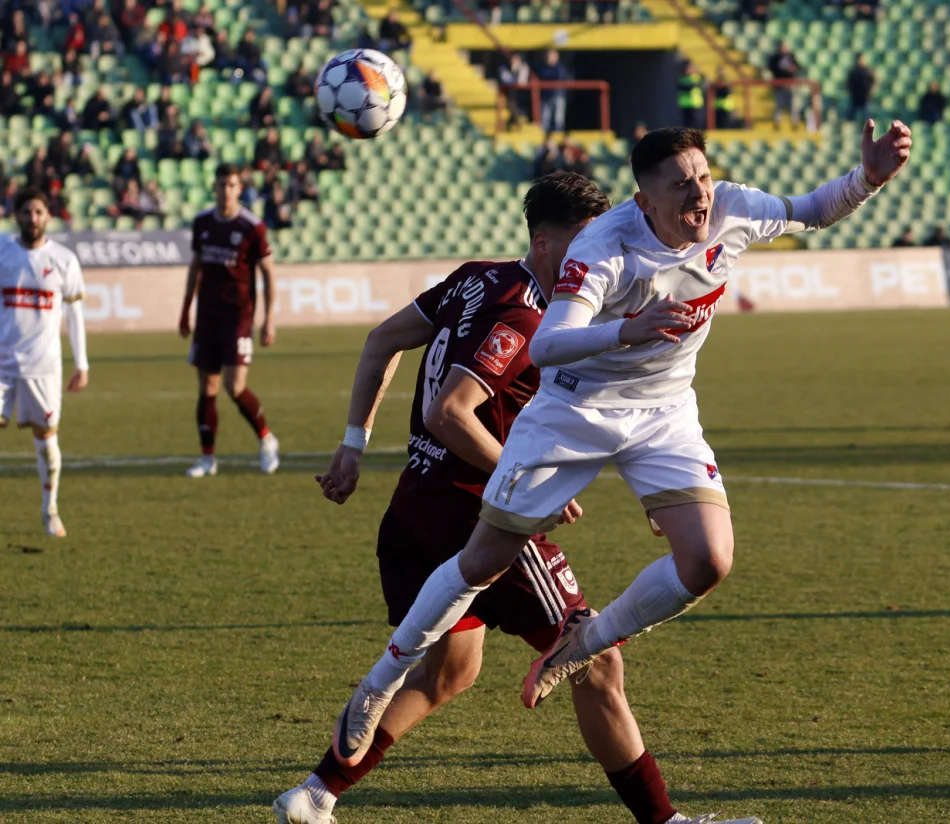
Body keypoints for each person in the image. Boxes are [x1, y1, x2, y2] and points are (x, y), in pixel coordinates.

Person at [328, 122, 912, 766]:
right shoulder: (602, 247)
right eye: (681, 184)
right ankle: (381, 681)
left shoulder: (734, 208)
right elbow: (547, 346)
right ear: (645, 201)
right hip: (576, 406)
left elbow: (813, 211)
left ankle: (582, 642)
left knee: (708, 561)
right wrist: (626, 332)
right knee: (481, 561)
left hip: (664, 412)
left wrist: (869, 179)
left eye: (703, 176)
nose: (700, 193)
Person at [276, 173, 759, 824]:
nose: (598, 259)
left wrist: (353, 443)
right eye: (581, 243)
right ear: (542, 242)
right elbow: (453, 411)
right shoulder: (526, 312)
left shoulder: (475, 277)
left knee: (452, 670)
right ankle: (665, 822)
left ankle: (315, 794)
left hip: (415, 507)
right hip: (476, 515)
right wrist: (531, 480)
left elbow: (381, 341)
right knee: (594, 660)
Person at [179, 164, 279, 478]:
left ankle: (266, 440)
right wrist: (185, 310)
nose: (226, 190)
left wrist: (269, 319)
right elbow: (195, 267)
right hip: (207, 318)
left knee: (235, 387)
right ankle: (207, 459)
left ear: (239, 189)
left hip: (238, 318)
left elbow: (268, 273)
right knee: (207, 389)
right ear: (215, 188)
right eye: (221, 184)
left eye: (232, 185)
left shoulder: (252, 227)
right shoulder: (202, 223)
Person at [0, 187, 89, 537]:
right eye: (26, 212)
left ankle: (50, 509)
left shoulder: (64, 260)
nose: (32, 219)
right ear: (16, 215)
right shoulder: (3, 252)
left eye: (38, 212)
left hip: (44, 367)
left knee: (47, 441)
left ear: (48, 216)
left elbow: (75, 314)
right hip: (2, 363)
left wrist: (82, 363)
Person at [766, 41, 800, 127]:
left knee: (793, 105)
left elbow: (797, 67)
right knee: (779, 105)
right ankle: (777, 123)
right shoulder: (775, 58)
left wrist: (793, 69)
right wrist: (784, 70)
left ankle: (794, 123)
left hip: (790, 85)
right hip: (779, 85)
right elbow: (773, 68)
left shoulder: (791, 57)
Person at [538, 50, 568, 133]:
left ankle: (558, 132)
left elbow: (559, 77)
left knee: (558, 117)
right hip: (546, 95)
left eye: (553, 56)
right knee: (545, 116)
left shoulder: (560, 67)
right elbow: (542, 77)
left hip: (558, 95)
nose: (550, 58)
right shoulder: (543, 67)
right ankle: (544, 132)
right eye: (549, 56)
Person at [498, 52, 530, 129]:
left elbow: (522, 82)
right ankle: (517, 121)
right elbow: (507, 80)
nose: (515, 61)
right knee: (511, 102)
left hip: (520, 94)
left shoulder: (524, 67)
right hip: (507, 94)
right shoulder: (504, 68)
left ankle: (514, 122)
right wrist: (514, 71)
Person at [846, 54, 876, 122]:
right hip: (855, 96)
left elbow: (874, 81)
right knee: (851, 117)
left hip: (866, 96)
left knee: (867, 116)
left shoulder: (868, 71)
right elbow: (849, 83)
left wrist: (871, 90)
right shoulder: (853, 71)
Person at [677, 61, 705, 131]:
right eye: (687, 69)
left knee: (695, 122)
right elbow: (683, 87)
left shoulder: (697, 78)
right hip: (685, 104)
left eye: (690, 69)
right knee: (686, 122)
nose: (688, 71)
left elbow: (693, 86)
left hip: (695, 104)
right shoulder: (682, 79)